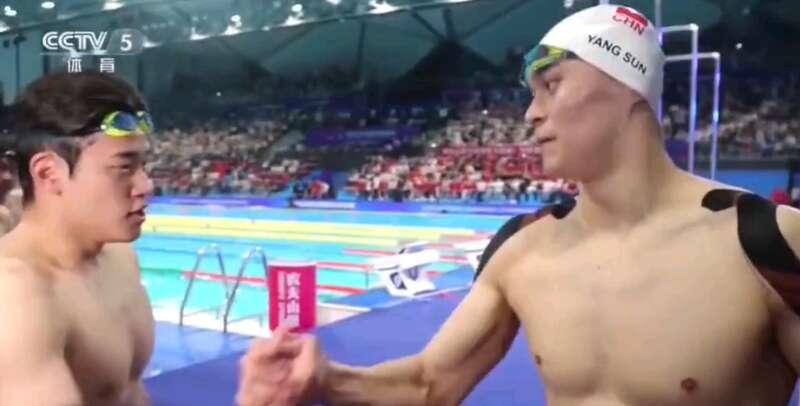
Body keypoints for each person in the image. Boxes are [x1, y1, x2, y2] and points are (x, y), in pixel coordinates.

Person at [237, 5, 800, 406]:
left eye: (552, 85)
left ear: (628, 93)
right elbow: (430, 384)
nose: (531, 113)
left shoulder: (766, 243)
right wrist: (324, 380)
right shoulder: (523, 247)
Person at [0, 71, 155, 405]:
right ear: (49, 173)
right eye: (124, 167)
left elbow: (131, 395)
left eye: (144, 165)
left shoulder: (120, 260)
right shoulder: (14, 295)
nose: (146, 186)